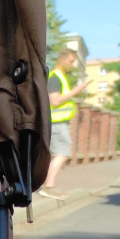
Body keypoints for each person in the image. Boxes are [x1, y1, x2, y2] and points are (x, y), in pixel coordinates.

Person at [40, 48, 89, 200]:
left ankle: (48, 185)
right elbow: (55, 101)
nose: (72, 64)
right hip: (57, 123)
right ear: (62, 59)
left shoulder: (58, 77)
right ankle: (49, 187)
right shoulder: (56, 78)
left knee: (58, 153)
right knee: (62, 153)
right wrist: (76, 90)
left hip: (57, 122)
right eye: (70, 61)